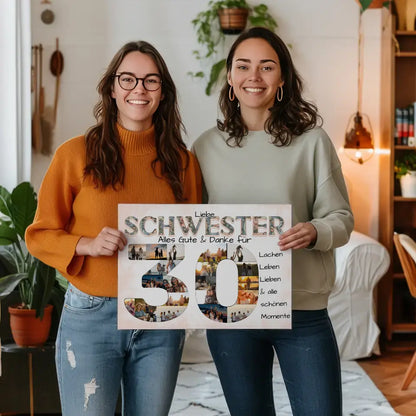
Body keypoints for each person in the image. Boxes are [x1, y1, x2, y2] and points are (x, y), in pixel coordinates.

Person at [26, 40, 202, 416]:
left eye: (151, 81)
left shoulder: (184, 163)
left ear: (163, 92)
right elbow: (39, 234)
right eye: (128, 79)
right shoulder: (74, 154)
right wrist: (86, 244)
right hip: (92, 315)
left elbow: (196, 243)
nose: (139, 89)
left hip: (161, 314)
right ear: (111, 88)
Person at [192, 27, 353, 416]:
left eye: (267, 67)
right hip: (231, 312)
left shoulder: (312, 142)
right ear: (230, 78)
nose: (254, 76)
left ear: (282, 79)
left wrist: (315, 231)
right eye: (243, 66)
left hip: (302, 313)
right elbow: (190, 226)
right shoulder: (203, 148)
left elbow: (342, 219)